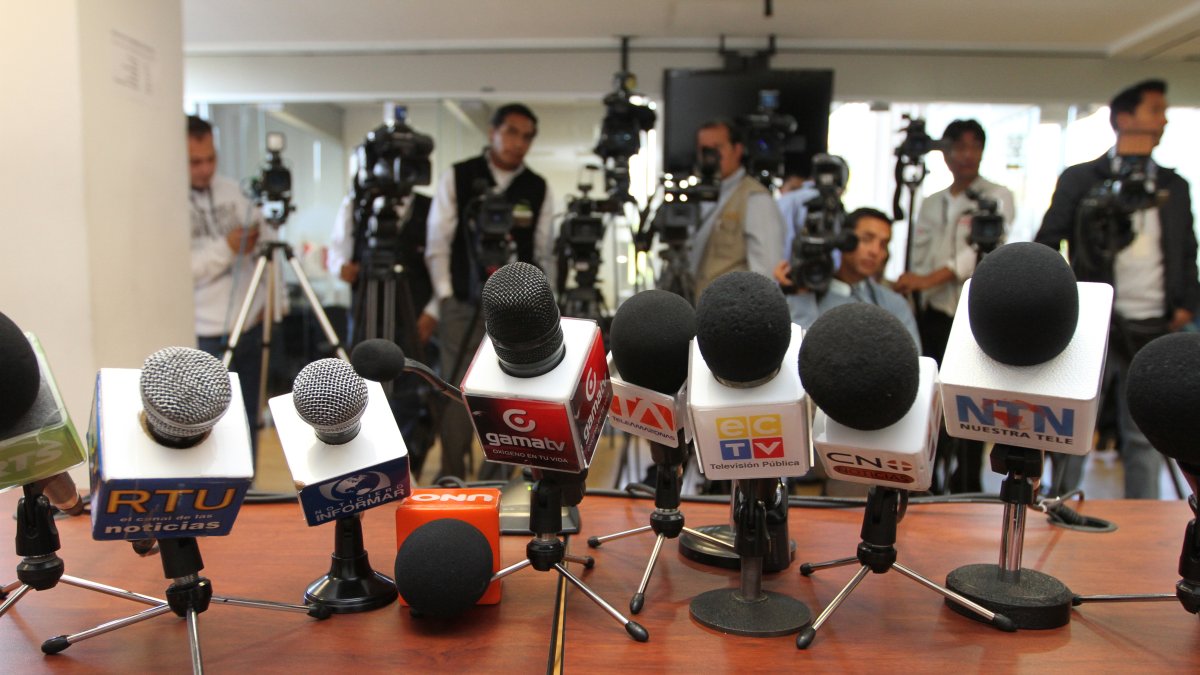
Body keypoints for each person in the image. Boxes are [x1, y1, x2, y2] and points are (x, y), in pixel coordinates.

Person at [1036, 79, 1198, 499]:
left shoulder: (1174, 186)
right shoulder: (1082, 179)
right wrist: (1065, 304)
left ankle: (1143, 516)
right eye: (1155, 110)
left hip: (1155, 326)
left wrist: (1186, 305)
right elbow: (1047, 242)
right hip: (1094, 325)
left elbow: (1186, 250)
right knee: (1073, 427)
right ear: (1124, 118)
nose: (1163, 120)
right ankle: (1060, 504)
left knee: (1144, 431)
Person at [425, 103, 556, 481]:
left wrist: (540, 303)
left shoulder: (537, 187)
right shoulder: (460, 176)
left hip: (517, 307)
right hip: (462, 303)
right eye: (512, 132)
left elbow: (544, 250)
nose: (519, 143)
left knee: (509, 391)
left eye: (527, 136)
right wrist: (446, 296)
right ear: (493, 131)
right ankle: (452, 475)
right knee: (456, 389)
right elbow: (439, 241)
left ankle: (494, 480)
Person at [894, 118, 1015, 494]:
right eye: (958, 147)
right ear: (944, 153)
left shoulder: (996, 197)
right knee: (933, 399)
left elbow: (972, 257)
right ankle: (929, 479)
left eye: (973, 147)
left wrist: (927, 280)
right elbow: (919, 253)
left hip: (971, 314)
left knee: (969, 401)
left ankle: (966, 483)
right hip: (931, 314)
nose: (966, 156)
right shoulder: (931, 201)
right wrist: (911, 285)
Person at [328, 179, 437, 478]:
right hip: (366, 316)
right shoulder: (357, 205)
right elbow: (336, 256)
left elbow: (441, 263)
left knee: (410, 390)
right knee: (363, 386)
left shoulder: (430, 207)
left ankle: (405, 467)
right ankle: (362, 462)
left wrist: (433, 311)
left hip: (413, 317)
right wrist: (342, 267)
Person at [187, 115, 270, 461]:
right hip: (201, 334)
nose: (205, 169)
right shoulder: (164, 203)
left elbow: (267, 247)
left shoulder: (235, 192)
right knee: (206, 426)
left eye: (211, 159)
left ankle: (248, 493)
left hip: (248, 326)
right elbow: (183, 271)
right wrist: (228, 248)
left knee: (247, 421)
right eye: (195, 162)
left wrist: (265, 303)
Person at [774, 207, 921, 350]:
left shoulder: (894, 305)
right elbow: (798, 352)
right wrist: (800, 293)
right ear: (844, 240)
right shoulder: (805, 293)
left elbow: (914, 361)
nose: (875, 251)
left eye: (883, 244)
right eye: (866, 239)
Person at [690, 120, 787, 301]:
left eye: (717, 147)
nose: (710, 156)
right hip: (698, 308)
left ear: (737, 149)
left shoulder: (755, 199)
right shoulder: (694, 195)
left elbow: (766, 275)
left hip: (731, 311)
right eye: (704, 149)